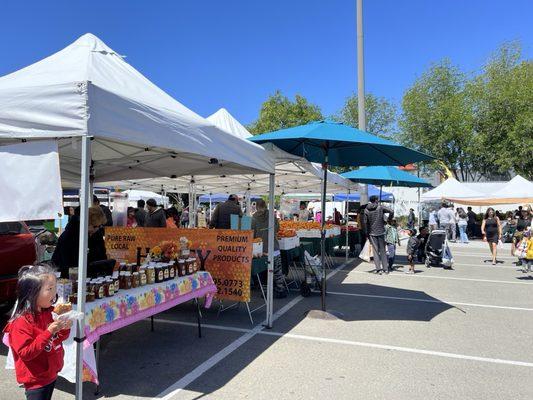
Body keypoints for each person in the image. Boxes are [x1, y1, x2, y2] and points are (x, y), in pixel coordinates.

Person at [3, 264, 72, 400]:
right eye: (49, 289)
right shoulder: (21, 322)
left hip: (51, 371)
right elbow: (26, 353)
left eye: (55, 288)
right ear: (32, 293)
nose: (54, 293)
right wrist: (49, 331)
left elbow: (57, 339)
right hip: (36, 379)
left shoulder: (49, 312)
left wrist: (64, 328)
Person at [52, 206, 108, 277]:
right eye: (94, 226)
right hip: (67, 275)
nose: (97, 229)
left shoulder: (96, 234)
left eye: (100, 226)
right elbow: (67, 262)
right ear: (86, 223)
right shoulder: (70, 235)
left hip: (91, 276)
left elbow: (101, 254)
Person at [251, 199, 286, 298]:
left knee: (264, 272)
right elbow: (278, 228)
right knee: (277, 270)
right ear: (265, 206)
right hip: (274, 247)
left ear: (257, 206)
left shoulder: (254, 217)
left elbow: (252, 233)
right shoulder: (272, 215)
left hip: (261, 249)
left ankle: (265, 292)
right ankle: (280, 289)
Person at [363, 195, 394, 275]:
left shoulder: (366, 210)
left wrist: (366, 233)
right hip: (381, 231)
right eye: (378, 200)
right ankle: (385, 269)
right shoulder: (380, 207)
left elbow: (365, 223)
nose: (378, 201)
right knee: (383, 251)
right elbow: (391, 211)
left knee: (375, 251)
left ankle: (378, 269)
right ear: (376, 200)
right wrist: (388, 220)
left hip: (372, 232)